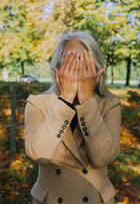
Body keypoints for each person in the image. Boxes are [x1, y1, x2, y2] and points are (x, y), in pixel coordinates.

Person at [24, 30, 122, 204]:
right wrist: (66, 98)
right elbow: (38, 154)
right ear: (58, 67)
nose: (76, 68)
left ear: (96, 66)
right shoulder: (36, 103)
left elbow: (104, 157)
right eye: (69, 61)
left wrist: (86, 100)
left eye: (83, 61)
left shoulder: (110, 104)